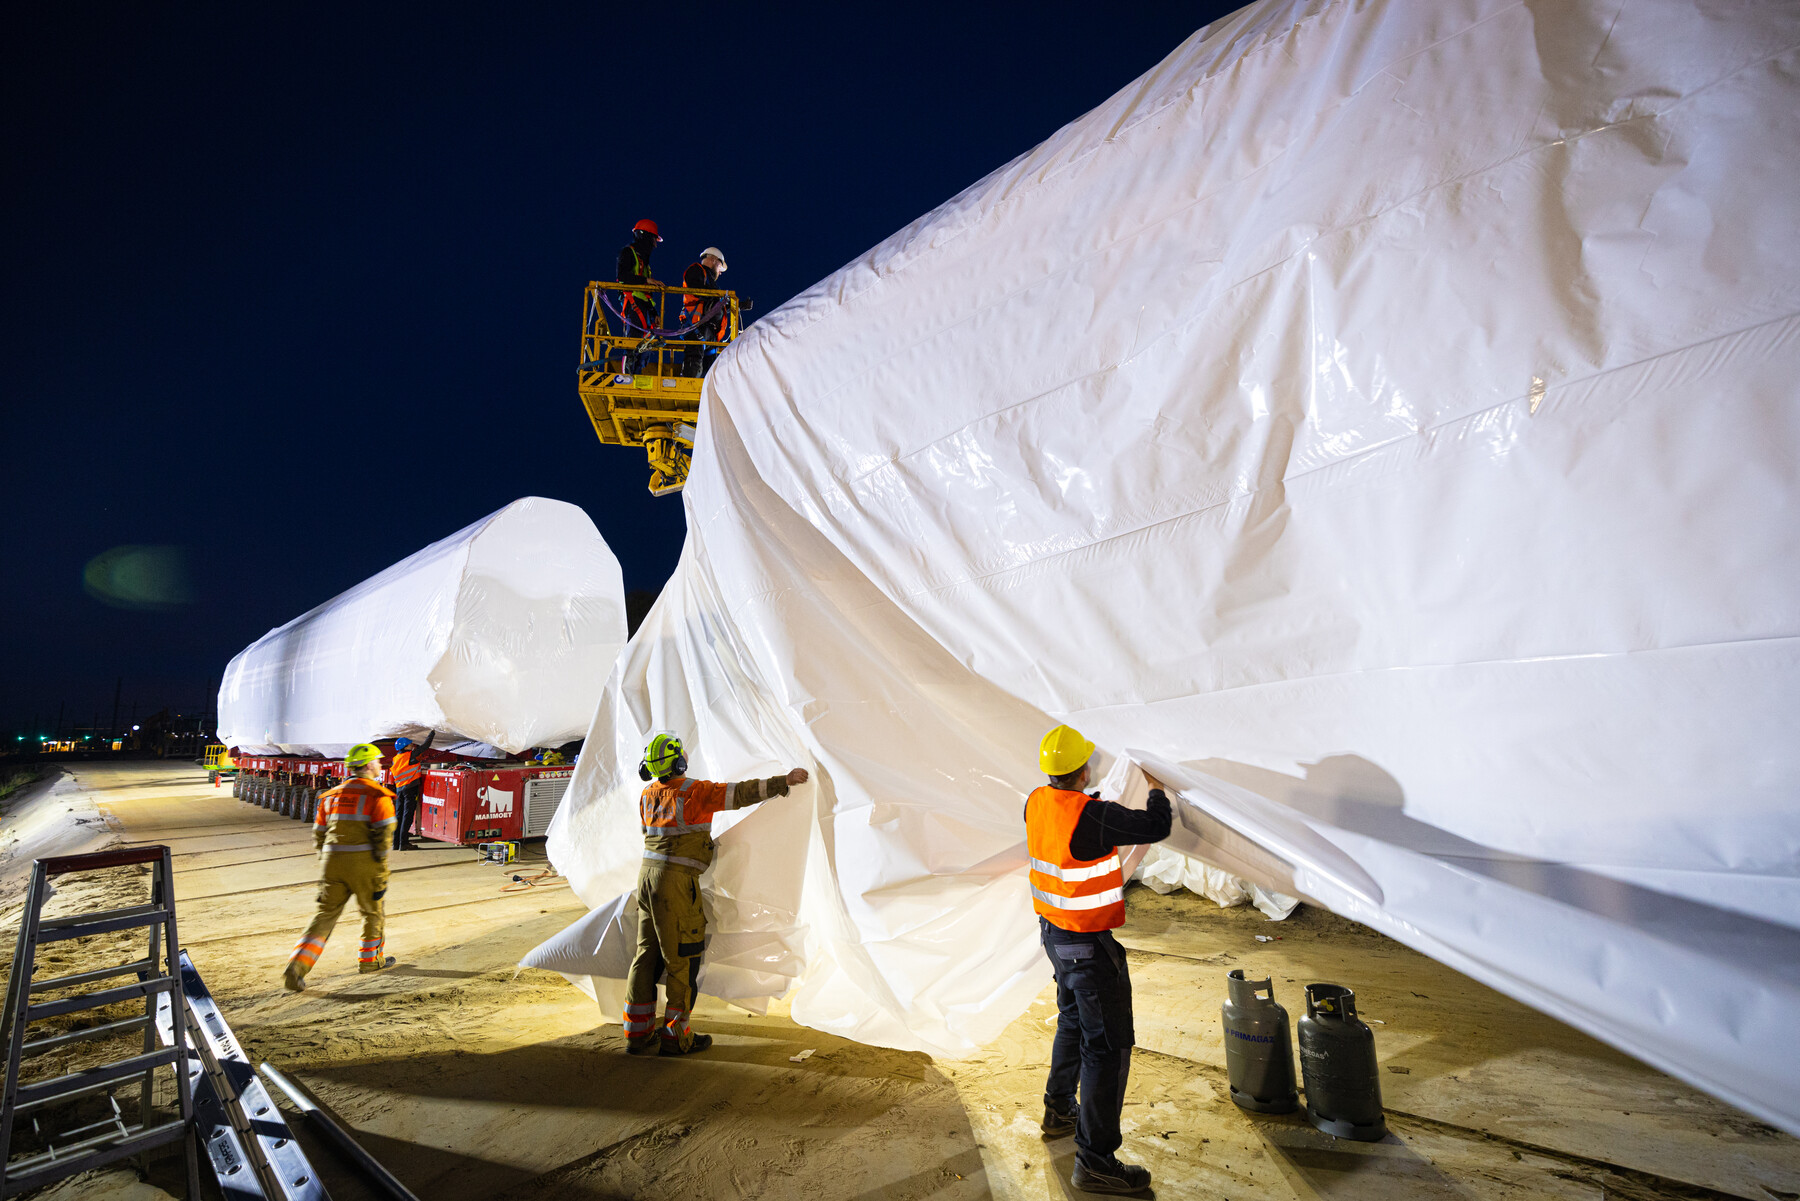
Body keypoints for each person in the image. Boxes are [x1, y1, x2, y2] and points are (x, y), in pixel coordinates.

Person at [1026, 724, 1171, 1196]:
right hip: (1088, 948)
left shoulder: (1035, 802)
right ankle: (1095, 1161)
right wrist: (1156, 789)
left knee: (1073, 1022)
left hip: (1055, 937)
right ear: (1084, 769)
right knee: (1106, 1047)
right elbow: (1157, 825)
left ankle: (1058, 1109)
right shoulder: (1094, 816)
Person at [624, 731, 808, 1056]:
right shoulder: (695, 792)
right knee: (682, 961)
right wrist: (784, 781)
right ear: (679, 762)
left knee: (646, 956)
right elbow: (741, 793)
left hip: (646, 879)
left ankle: (636, 1035)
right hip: (676, 885)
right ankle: (676, 1037)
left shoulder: (648, 794)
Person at [283, 742, 400, 991]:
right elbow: (384, 835)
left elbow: (319, 833)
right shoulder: (377, 795)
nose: (380, 765)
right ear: (368, 765)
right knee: (372, 913)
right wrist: (380, 868)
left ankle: (296, 967)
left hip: (332, 863)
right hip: (364, 864)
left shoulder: (330, 796)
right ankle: (370, 962)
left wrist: (327, 859)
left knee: (324, 916)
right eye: (378, 761)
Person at [616, 218, 664, 371]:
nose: (655, 245)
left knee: (646, 344)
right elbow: (622, 277)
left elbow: (646, 294)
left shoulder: (644, 262)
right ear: (646, 237)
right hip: (633, 303)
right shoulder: (628, 253)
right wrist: (646, 280)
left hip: (644, 306)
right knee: (634, 340)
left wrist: (654, 312)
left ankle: (637, 373)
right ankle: (627, 373)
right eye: (654, 240)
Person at [679, 247, 728, 377]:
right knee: (693, 366)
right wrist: (716, 298)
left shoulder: (710, 281)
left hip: (709, 333)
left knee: (710, 373)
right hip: (697, 327)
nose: (720, 272)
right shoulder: (696, 270)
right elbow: (698, 290)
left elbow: (715, 305)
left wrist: (737, 306)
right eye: (720, 266)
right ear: (713, 260)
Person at [389, 731, 434, 850]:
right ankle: (403, 843)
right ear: (405, 747)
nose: (412, 745)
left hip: (399, 789)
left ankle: (396, 843)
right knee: (407, 816)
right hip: (410, 789)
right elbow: (425, 746)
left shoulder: (396, 758)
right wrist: (432, 733)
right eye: (410, 744)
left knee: (399, 816)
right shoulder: (410, 756)